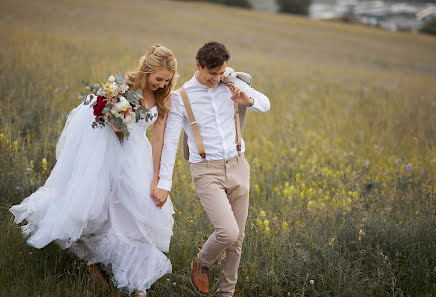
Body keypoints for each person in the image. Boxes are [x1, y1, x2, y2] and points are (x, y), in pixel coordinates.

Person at [9, 45, 177, 297]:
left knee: (137, 210)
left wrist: (156, 178)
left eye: (167, 80)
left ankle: (135, 280)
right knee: (99, 207)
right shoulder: (126, 83)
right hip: (110, 149)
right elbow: (95, 113)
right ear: (147, 70)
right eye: (158, 79)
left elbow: (157, 140)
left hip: (137, 157)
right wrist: (114, 118)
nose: (162, 84)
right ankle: (91, 261)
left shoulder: (164, 97)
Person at [153, 41, 270, 296]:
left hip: (239, 165)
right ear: (198, 65)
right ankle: (202, 262)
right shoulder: (181, 97)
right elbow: (171, 142)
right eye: (211, 74)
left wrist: (246, 98)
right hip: (206, 170)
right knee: (227, 232)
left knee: (237, 240)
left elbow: (266, 103)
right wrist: (164, 183)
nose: (216, 79)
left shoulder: (231, 83)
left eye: (220, 73)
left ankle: (225, 293)